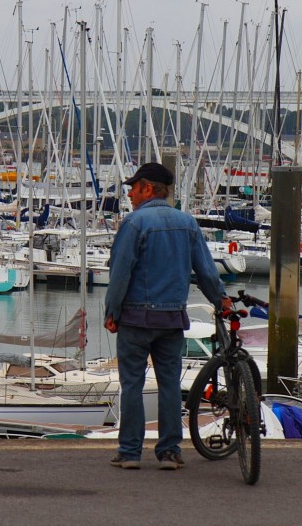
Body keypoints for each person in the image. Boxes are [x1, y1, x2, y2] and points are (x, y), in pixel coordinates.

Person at [104, 162, 232, 470]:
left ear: (148, 189)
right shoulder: (187, 223)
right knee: (170, 384)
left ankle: (131, 452)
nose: (130, 195)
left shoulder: (134, 223)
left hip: (135, 318)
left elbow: (120, 272)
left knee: (132, 383)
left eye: (133, 189)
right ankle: (170, 451)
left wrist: (112, 311)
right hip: (172, 318)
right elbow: (205, 270)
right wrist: (221, 299)